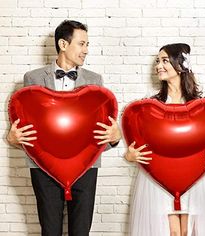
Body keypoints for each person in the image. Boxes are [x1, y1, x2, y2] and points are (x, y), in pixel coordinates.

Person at [6, 20, 121, 236]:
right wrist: (12, 139)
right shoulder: (33, 78)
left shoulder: (95, 81)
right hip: (43, 166)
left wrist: (114, 138)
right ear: (63, 44)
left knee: (81, 231)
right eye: (82, 44)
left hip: (86, 167)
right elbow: (26, 126)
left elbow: (99, 132)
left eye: (87, 44)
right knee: (49, 230)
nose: (86, 50)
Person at [124, 43, 205, 236]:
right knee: (172, 232)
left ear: (180, 65)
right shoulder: (152, 107)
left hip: (197, 177)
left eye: (164, 60)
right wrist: (130, 155)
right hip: (160, 179)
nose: (158, 65)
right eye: (158, 61)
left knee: (190, 231)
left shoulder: (202, 106)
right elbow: (138, 145)